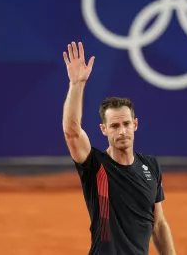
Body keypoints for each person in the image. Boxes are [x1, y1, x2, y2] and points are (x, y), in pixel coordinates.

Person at [62, 41, 176, 255]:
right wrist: (76, 84)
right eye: (114, 126)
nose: (122, 131)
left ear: (135, 124)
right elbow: (72, 132)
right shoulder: (95, 166)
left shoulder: (150, 166)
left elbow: (158, 224)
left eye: (126, 124)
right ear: (103, 129)